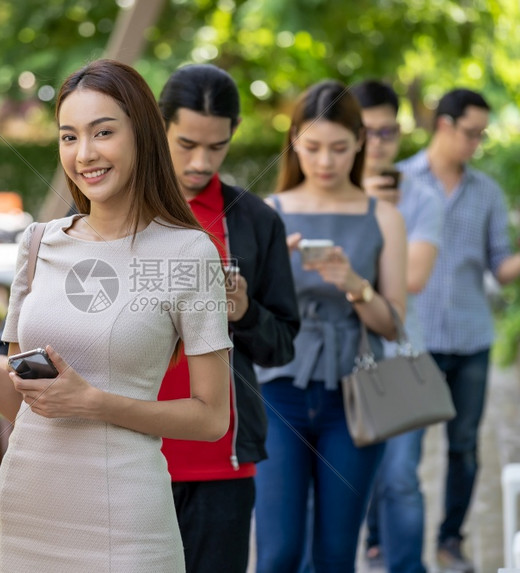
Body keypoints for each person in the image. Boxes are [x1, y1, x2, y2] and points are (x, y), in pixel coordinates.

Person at [0, 59, 234, 572]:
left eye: (102, 132)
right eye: (69, 137)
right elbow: (17, 399)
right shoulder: (39, 244)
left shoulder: (187, 253)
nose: (84, 154)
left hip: (124, 522)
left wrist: (93, 402)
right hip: (28, 513)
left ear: (142, 136)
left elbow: (211, 418)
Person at [252, 79, 408, 572]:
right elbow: (243, 316)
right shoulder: (270, 213)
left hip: (355, 395)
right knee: (277, 552)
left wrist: (355, 284)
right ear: (294, 140)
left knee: (337, 555)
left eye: (339, 148)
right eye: (313, 147)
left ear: (360, 143)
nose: (324, 161)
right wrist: (271, 268)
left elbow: (393, 326)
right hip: (278, 391)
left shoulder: (383, 216)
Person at [395, 88, 520, 572]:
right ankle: (385, 541)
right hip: (410, 341)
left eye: (483, 134)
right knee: (401, 453)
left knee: (463, 448)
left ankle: (450, 540)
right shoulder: (397, 182)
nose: (477, 143)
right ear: (444, 124)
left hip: (470, 338)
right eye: (472, 132)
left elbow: (497, 267)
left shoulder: (486, 192)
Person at [156, 63, 301, 572]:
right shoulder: (117, 211)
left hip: (225, 464)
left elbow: (282, 343)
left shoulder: (256, 221)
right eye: (187, 144)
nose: (201, 161)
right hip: (132, 459)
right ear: (160, 126)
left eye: (216, 147)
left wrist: (244, 311)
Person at [351, 79, 444, 573]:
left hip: (399, 362)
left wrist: (375, 213)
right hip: (335, 363)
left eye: (388, 131)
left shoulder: (423, 200)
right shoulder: (321, 195)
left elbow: (412, 278)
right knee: (340, 484)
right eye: (366, 132)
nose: (377, 143)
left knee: (400, 478)